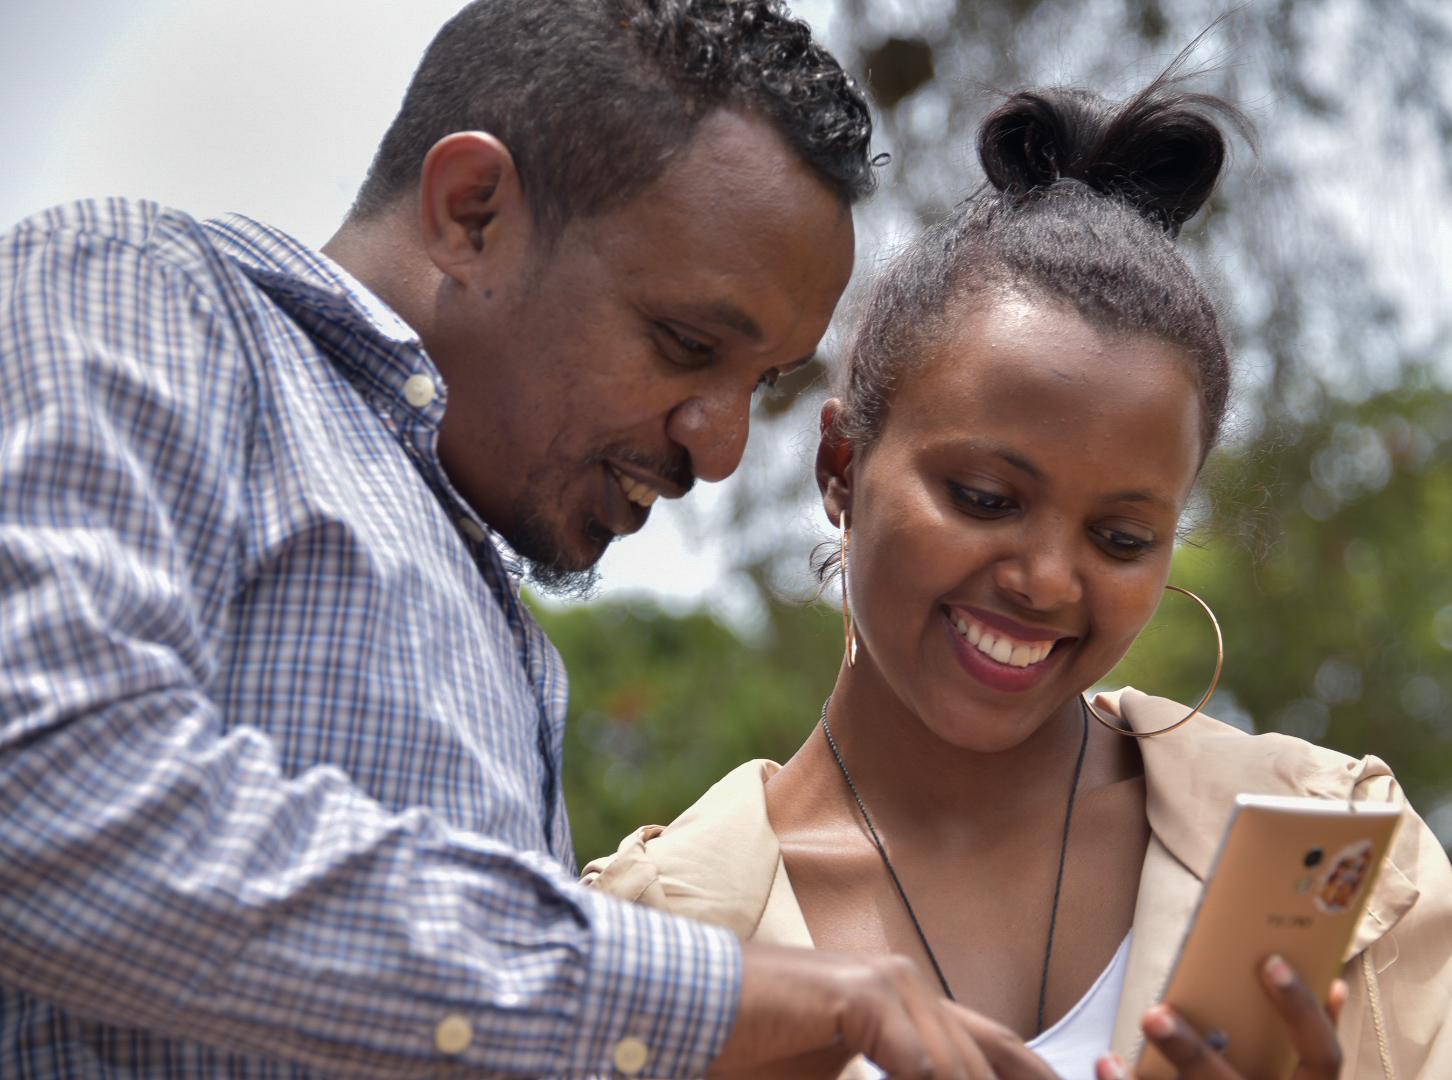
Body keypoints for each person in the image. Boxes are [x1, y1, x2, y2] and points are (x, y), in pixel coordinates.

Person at [0, 2, 1061, 1077]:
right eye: (687, 343)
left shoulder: (502, 632)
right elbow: (49, 798)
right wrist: (714, 990)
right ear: (471, 211)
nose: (724, 447)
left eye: (762, 383)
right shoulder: (143, 291)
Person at [582, 71, 1452, 1079]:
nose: (1046, 581)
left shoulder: (1348, 873)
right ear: (842, 466)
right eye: (984, 497)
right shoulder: (643, 945)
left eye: (1121, 539)